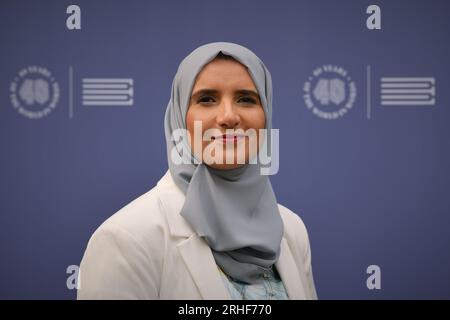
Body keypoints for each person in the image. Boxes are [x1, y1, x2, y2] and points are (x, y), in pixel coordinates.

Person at [77, 42, 318, 300]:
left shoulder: (291, 230)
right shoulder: (126, 239)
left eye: (246, 99)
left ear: (266, 115)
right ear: (180, 116)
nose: (228, 117)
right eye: (207, 99)